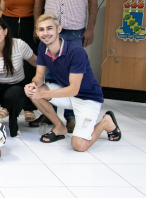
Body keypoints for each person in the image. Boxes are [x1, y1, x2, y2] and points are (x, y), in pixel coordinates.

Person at [31, 0, 104, 132]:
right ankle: (50, 116)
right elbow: (38, 0)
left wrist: (90, 29)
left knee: (71, 75)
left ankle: (71, 117)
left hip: (74, 31)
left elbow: (93, 1)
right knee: (50, 75)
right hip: (48, 31)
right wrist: (38, 27)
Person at [25, 14, 121, 151]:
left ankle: (106, 122)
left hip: (88, 98)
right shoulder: (42, 47)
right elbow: (39, 76)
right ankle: (60, 127)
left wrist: (41, 93)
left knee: (79, 145)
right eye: (41, 30)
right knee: (33, 92)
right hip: (67, 94)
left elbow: (74, 89)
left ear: (59, 29)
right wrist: (34, 85)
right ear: (36, 32)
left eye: (49, 28)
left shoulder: (76, 52)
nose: (45, 33)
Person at [0, 17, 37, 137]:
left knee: (13, 95)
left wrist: (37, 81)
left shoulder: (19, 45)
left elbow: (37, 63)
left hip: (16, 85)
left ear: (5, 31)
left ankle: (13, 125)